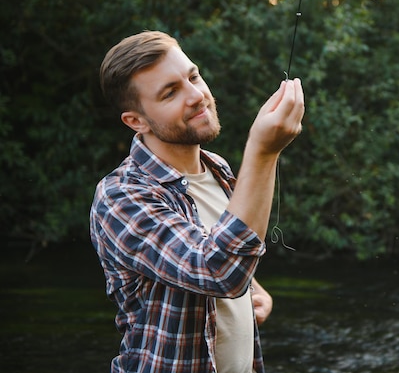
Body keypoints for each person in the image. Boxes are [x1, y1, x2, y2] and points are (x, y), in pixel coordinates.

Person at [89, 30, 305, 373]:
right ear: (136, 121)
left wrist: (253, 289)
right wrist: (264, 153)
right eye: (170, 93)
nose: (196, 96)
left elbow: (213, 246)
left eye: (193, 76)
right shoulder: (121, 197)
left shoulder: (217, 167)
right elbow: (218, 271)